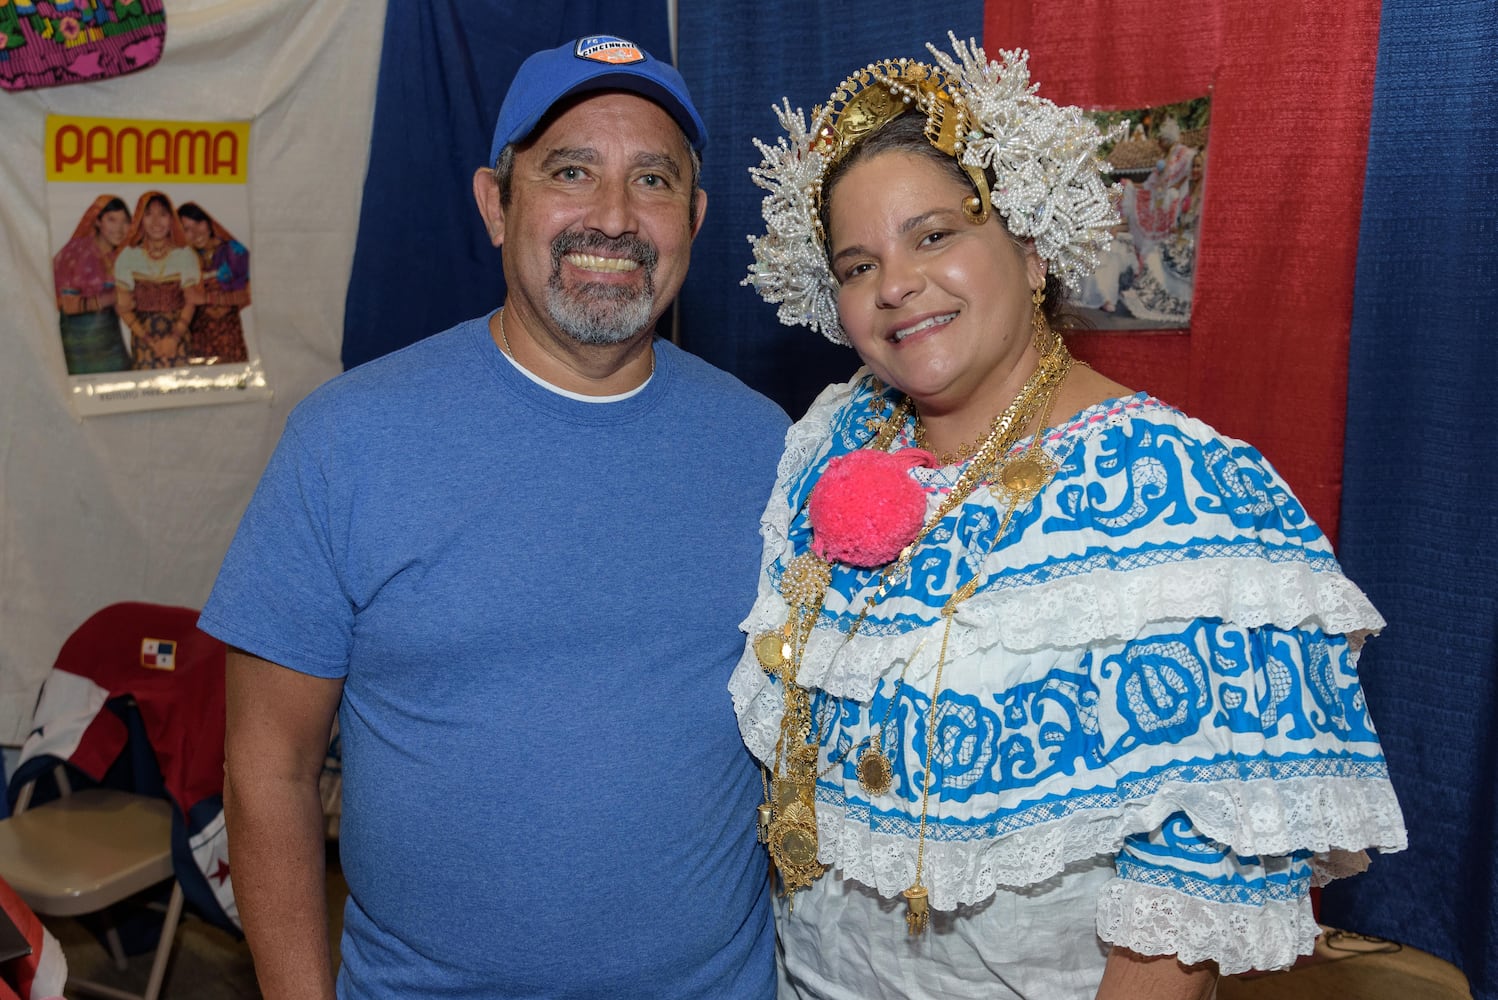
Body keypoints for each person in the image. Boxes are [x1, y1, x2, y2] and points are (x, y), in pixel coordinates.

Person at [736, 33, 1406, 1000]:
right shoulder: (829, 445)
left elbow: (1195, 879)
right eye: (856, 263)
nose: (894, 285)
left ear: (1031, 240)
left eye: (934, 235)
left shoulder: (1190, 492)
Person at [199, 34, 788, 1000]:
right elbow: (268, 766)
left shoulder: (769, 448)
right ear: (493, 204)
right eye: (569, 172)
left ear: (697, 218)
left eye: (653, 179)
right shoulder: (349, 440)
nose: (613, 216)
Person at [113, 190, 201, 369]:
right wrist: (150, 342)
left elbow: (190, 302)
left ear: (171, 219)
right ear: (139, 220)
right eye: (148, 215)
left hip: (179, 338)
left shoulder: (185, 255)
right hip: (143, 340)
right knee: (146, 392)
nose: (156, 222)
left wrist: (174, 339)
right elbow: (123, 307)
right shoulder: (128, 256)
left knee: (182, 391)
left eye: (162, 215)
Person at [52, 193, 131, 373]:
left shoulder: (118, 256)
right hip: (81, 348)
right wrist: (111, 297)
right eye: (112, 220)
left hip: (112, 345)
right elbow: (68, 306)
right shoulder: (77, 252)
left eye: (125, 221)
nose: (119, 229)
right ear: (97, 221)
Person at [177, 201, 251, 364]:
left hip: (229, 337)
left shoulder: (233, 251)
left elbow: (247, 296)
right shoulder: (184, 260)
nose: (195, 232)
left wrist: (207, 299)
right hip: (197, 340)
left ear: (209, 221)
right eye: (187, 229)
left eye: (198, 223)